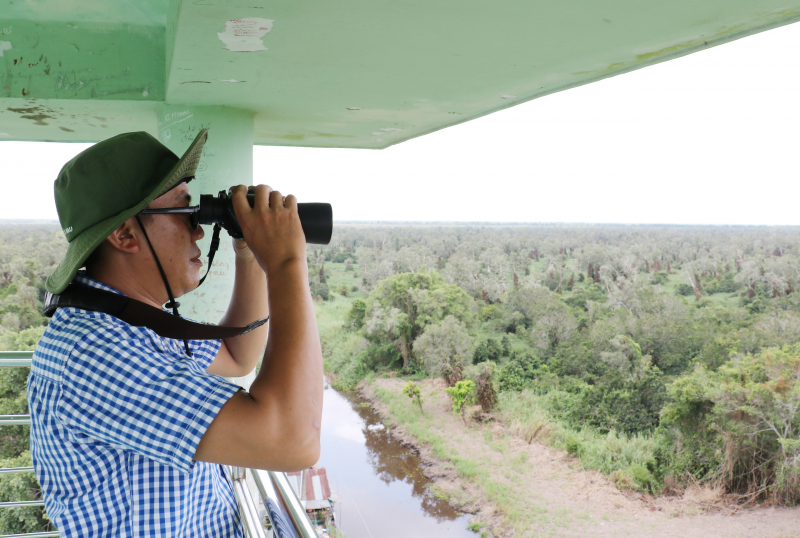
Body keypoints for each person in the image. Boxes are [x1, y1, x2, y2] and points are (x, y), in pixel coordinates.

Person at [27, 129, 323, 537]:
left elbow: (238, 357)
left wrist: (249, 253)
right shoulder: (96, 352)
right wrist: (287, 262)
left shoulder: (132, 322)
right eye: (185, 215)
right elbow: (294, 443)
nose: (198, 231)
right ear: (126, 234)